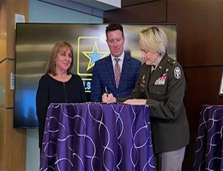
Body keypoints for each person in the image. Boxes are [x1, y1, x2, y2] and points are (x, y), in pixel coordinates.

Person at [102, 27, 189, 171]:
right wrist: (115, 100)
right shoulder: (145, 69)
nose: (143, 55)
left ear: (158, 49)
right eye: (142, 50)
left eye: (146, 51)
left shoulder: (174, 70)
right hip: (150, 137)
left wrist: (146, 103)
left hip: (171, 139)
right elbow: (135, 97)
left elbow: (171, 111)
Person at [36, 41, 87, 152]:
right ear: (54, 58)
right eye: (63, 54)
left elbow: (84, 109)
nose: (67, 59)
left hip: (75, 138)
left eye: (70, 55)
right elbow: (41, 114)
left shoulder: (77, 81)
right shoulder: (45, 81)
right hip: (52, 140)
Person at [90, 22, 141, 102]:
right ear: (107, 42)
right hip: (106, 113)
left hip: (128, 113)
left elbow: (139, 97)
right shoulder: (99, 66)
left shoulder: (136, 65)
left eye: (118, 40)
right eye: (111, 41)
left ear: (123, 39)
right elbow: (95, 99)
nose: (115, 44)